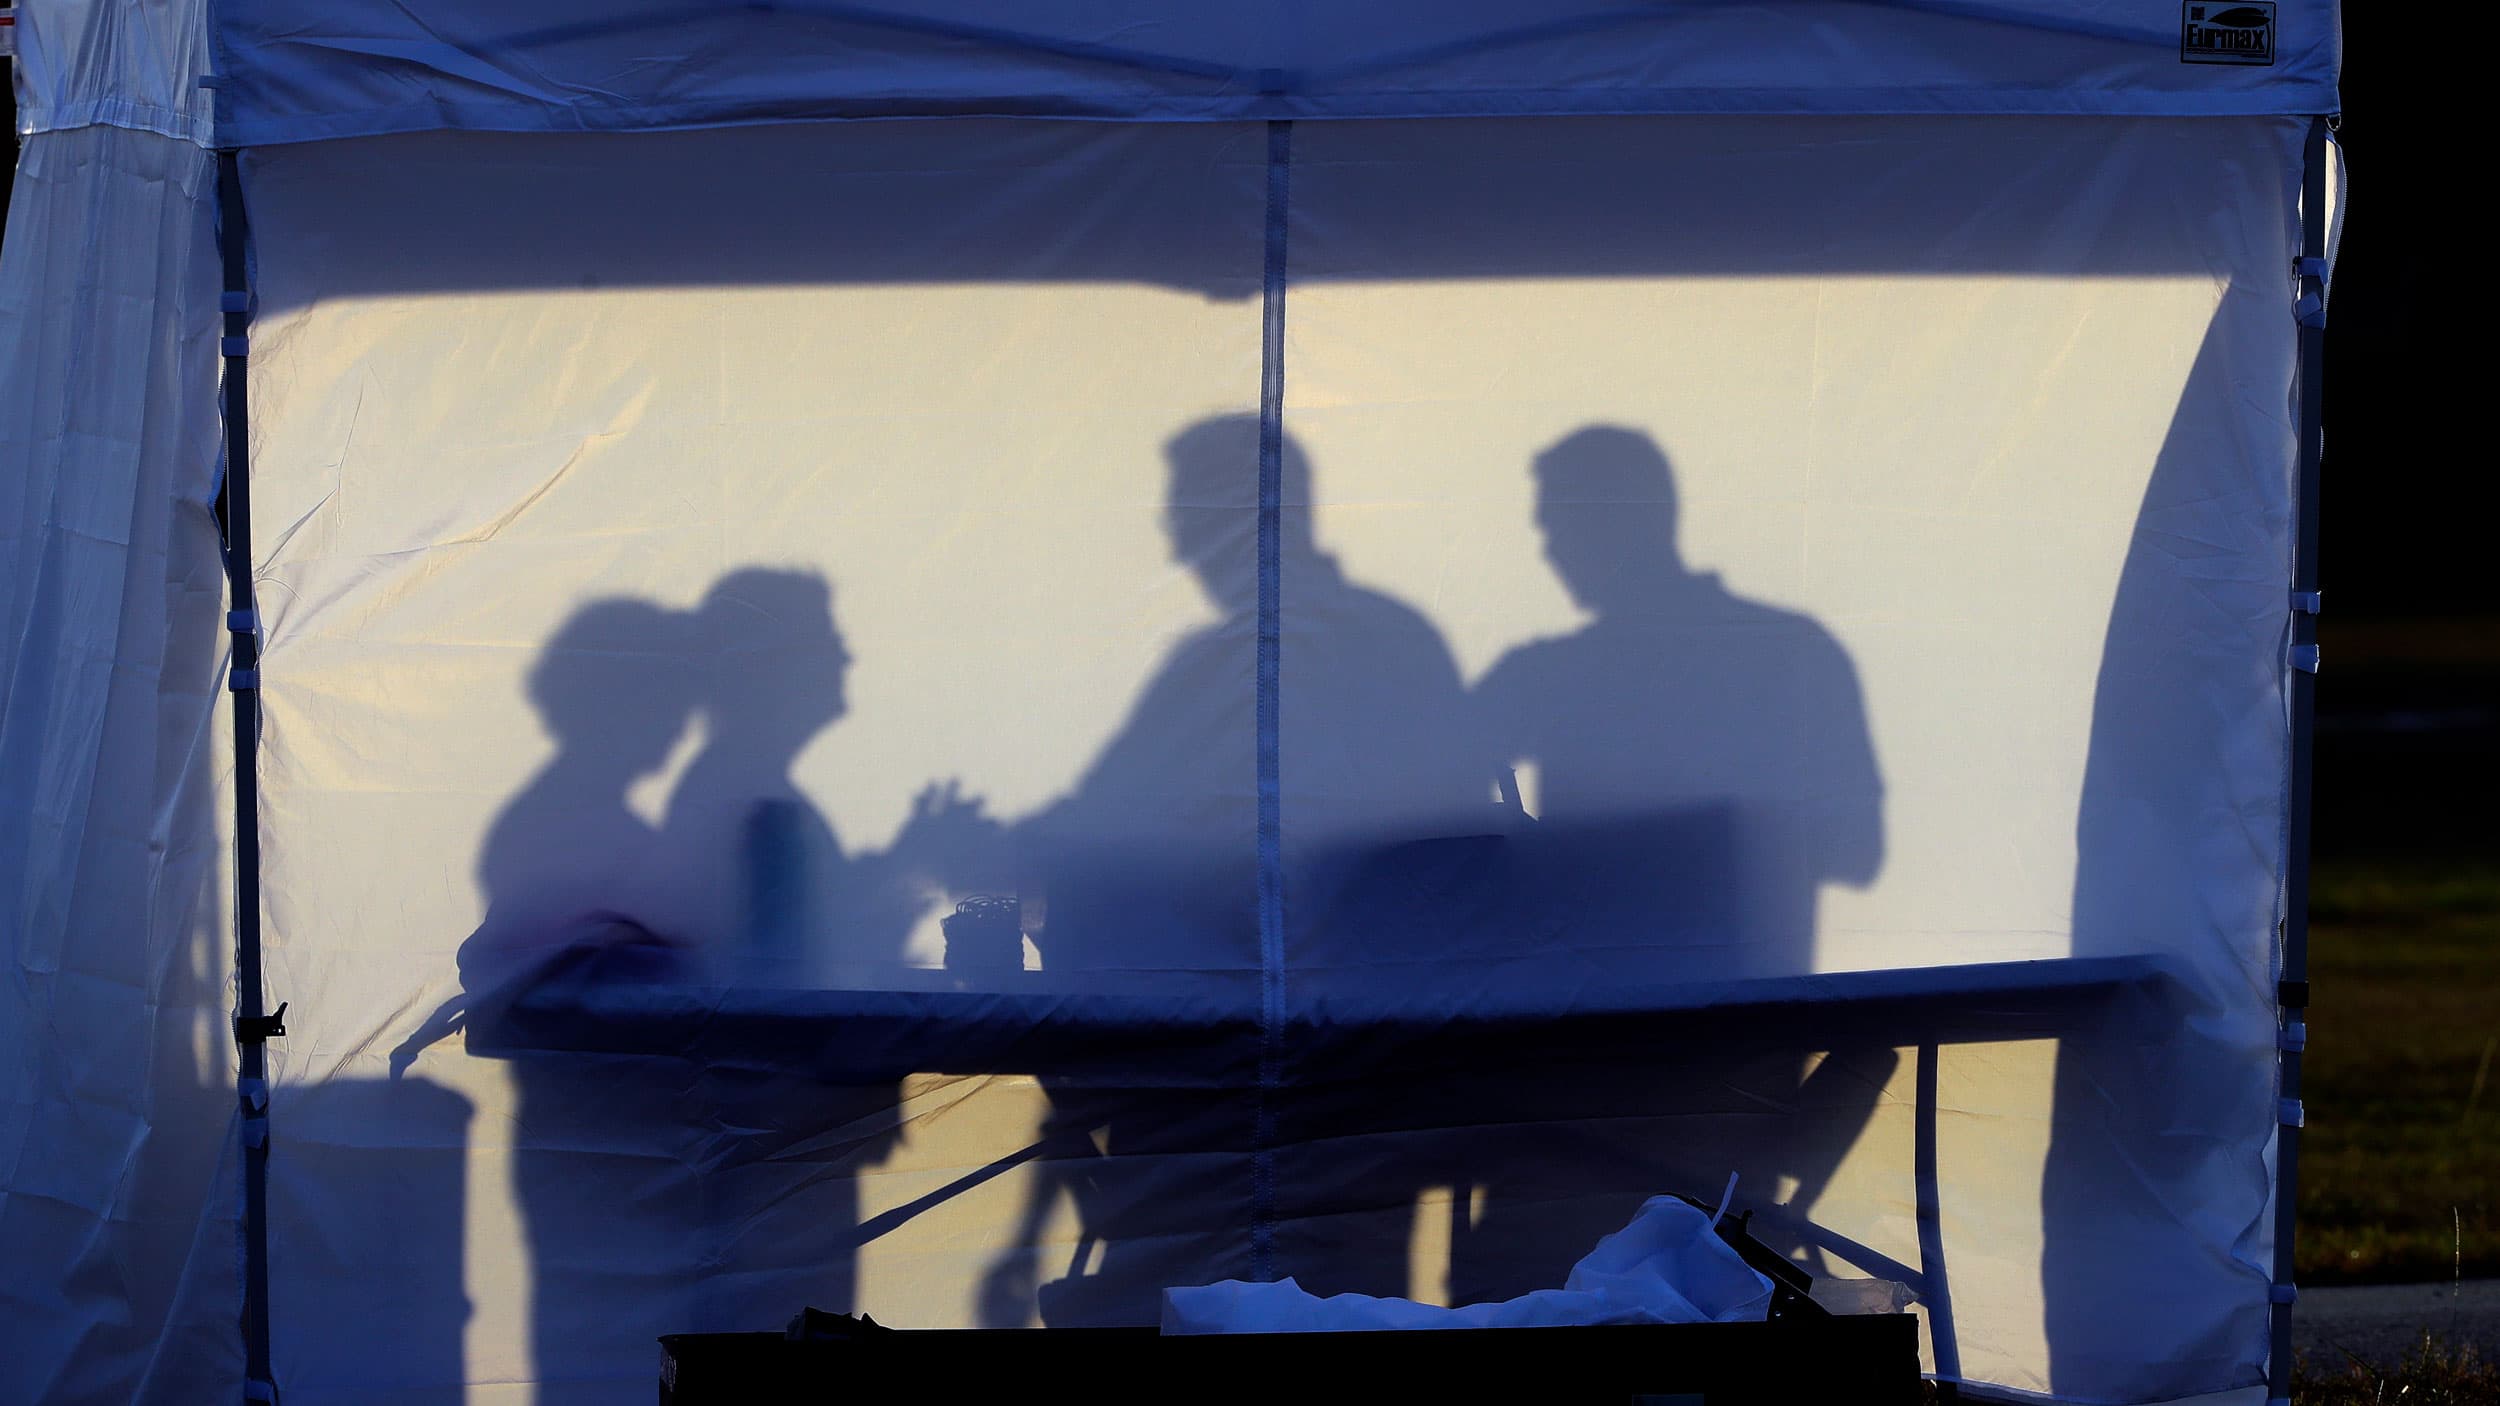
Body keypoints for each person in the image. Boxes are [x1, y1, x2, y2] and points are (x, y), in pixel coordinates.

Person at [1454, 425, 1887, 1300]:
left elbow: (1426, 779)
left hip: (1621, 1071)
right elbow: (1859, 851)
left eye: (1556, 525)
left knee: (1495, 1211)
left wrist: (1575, 852)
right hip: (1727, 1069)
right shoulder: (1792, 651)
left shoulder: (1559, 672)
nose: (1546, 548)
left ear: (1614, 523)